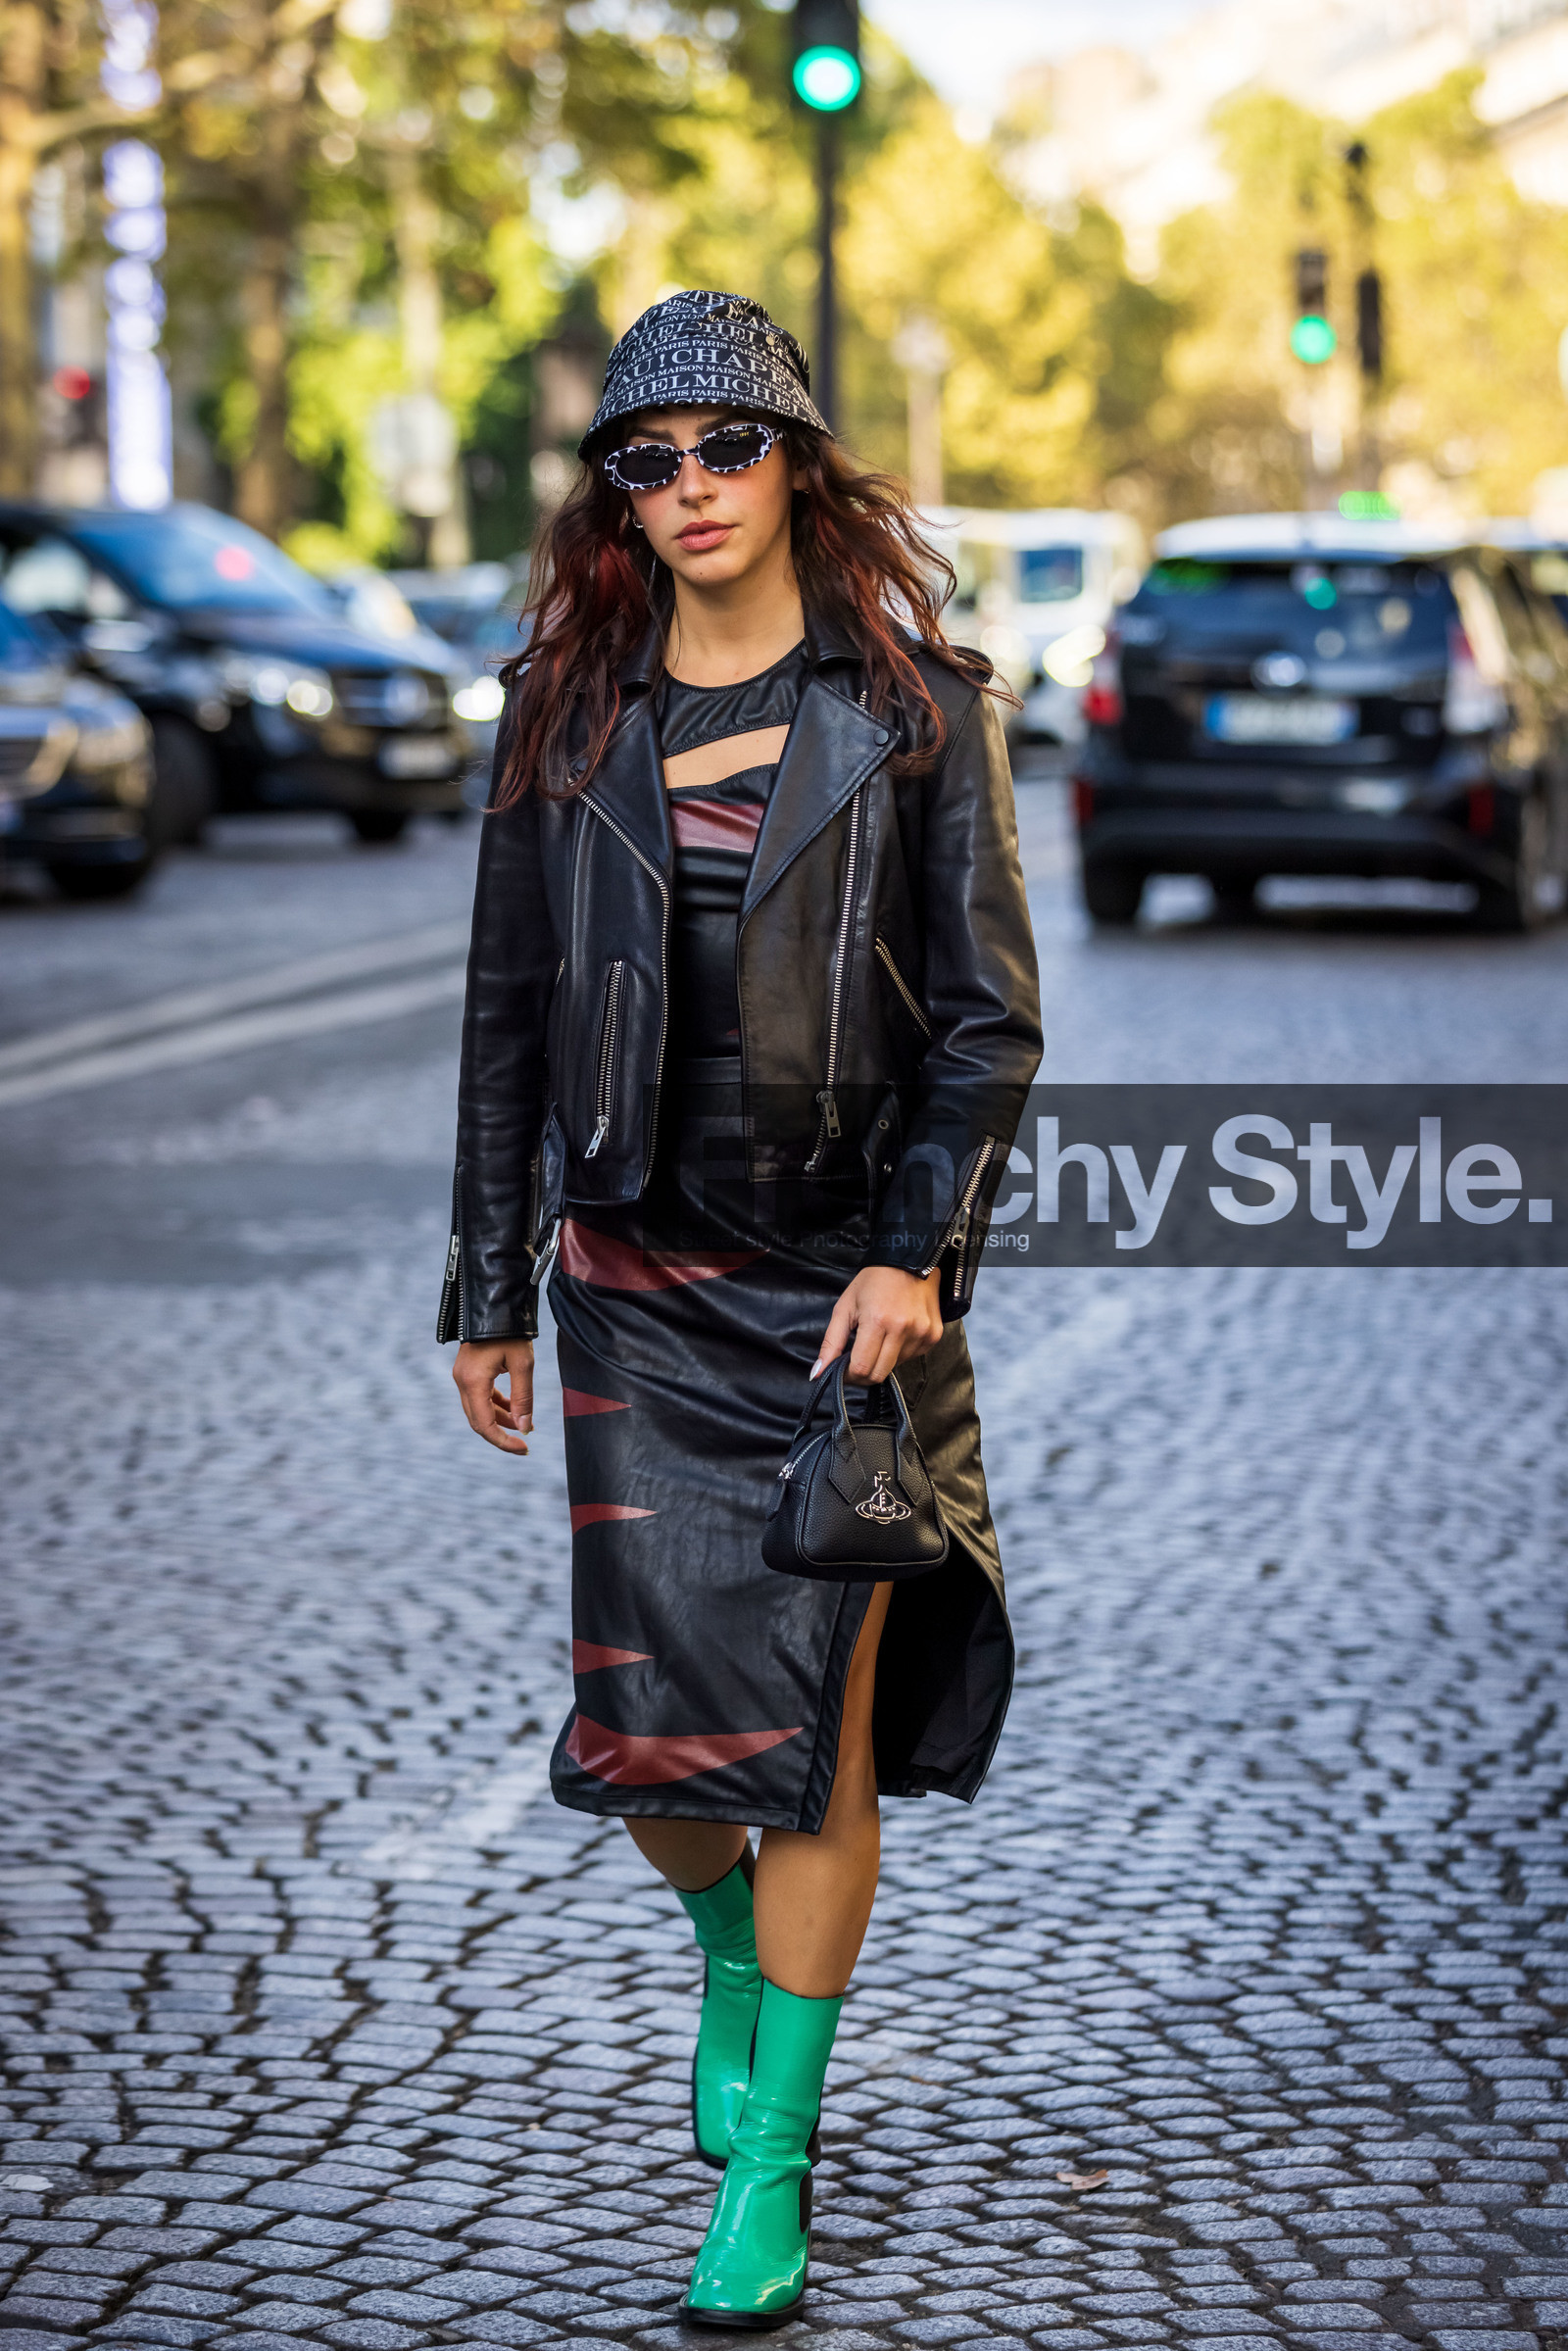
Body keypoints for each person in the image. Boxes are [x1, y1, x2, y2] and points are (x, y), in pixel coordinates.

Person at [442, 288, 1041, 2328]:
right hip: (622, 1277)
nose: (688, 487)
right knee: (647, 1747)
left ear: (795, 463)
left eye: (724, 448)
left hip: (835, 1305)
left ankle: (767, 2166)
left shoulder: (916, 709)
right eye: (646, 458)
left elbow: (984, 1029)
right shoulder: (565, 708)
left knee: (808, 1751)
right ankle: (725, 1958)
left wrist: (913, 1258)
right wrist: (482, 1282)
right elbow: (503, 1022)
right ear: (613, 495)